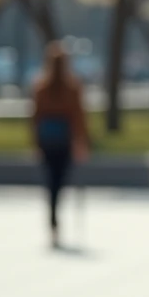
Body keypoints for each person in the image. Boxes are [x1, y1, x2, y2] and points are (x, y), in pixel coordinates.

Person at [31, 42, 89, 249]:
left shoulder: (41, 86)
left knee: (50, 183)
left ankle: (53, 220)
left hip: (47, 140)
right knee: (59, 181)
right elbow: (78, 116)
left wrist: (35, 142)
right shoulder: (72, 87)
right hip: (64, 140)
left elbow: (35, 116)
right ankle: (55, 217)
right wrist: (80, 142)